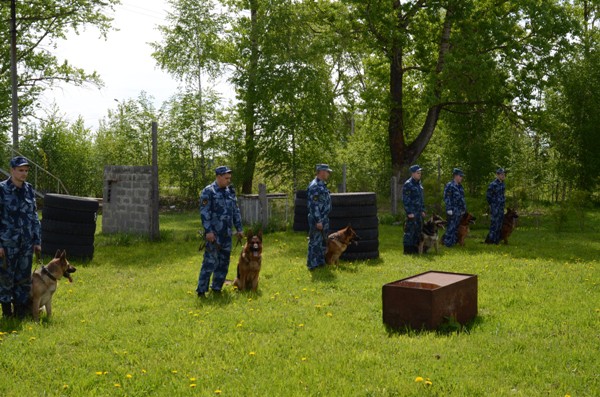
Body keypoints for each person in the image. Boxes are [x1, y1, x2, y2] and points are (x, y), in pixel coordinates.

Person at [0, 156, 42, 318]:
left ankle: (20, 311)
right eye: (20, 170)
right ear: (12, 170)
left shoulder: (29, 189)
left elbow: (33, 217)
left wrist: (37, 242)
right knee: (6, 278)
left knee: (24, 279)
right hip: (7, 243)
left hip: (26, 243)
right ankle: (7, 313)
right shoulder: (2, 189)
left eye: (26, 171)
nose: (24, 174)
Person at [196, 166, 243, 297]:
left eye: (229, 178)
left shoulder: (230, 192)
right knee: (209, 263)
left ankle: (217, 288)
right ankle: (201, 290)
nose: (228, 181)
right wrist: (208, 231)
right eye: (226, 178)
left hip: (227, 235)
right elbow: (205, 213)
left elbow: (236, 212)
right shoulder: (208, 191)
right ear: (218, 177)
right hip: (214, 235)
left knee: (223, 263)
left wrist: (239, 228)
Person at [306, 164, 332, 270]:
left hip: (324, 218)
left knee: (322, 241)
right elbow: (313, 205)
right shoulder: (314, 185)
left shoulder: (322, 184)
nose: (328, 174)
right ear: (321, 171)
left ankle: (320, 262)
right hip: (317, 219)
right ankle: (312, 264)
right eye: (327, 171)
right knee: (314, 241)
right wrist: (318, 220)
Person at [402, 165, 425, 254]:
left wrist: (423, 210)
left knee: (418, 230)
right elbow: (406, 199)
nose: (420, 175)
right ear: (413, 173)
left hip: (419, 212)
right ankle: (408, 250)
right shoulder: (408, 184)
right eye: (418, 173)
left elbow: (421, 198)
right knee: (410, 230)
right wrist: (409, 212)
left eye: (420, 173)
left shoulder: (419, 183)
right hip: (412, 212)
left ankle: (416, 249)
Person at [443, 168, 466, 248]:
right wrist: (449, 208)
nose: (461, 178)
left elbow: (462, 198)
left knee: (456, 227)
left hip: (459, 210)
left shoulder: (460, 186)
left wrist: (463, 208)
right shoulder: (450, 185)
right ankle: (448, 243)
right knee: (451, 227)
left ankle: (454, 242)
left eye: (462, 176)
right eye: (460, 176)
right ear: (455, 176)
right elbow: (447, 198)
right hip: (452, 210)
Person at [485, 168, 506, 244]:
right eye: (501, 174)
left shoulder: (502, 184)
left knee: (500, 223)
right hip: (495, 207)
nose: (503, 176)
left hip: (501, 207)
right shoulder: (493, 184)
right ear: (497, 175)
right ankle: (491, 240)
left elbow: (502, 195)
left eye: (504, 174)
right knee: (494, 223)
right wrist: (492, 204)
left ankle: (497, 240)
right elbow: (488, 196)